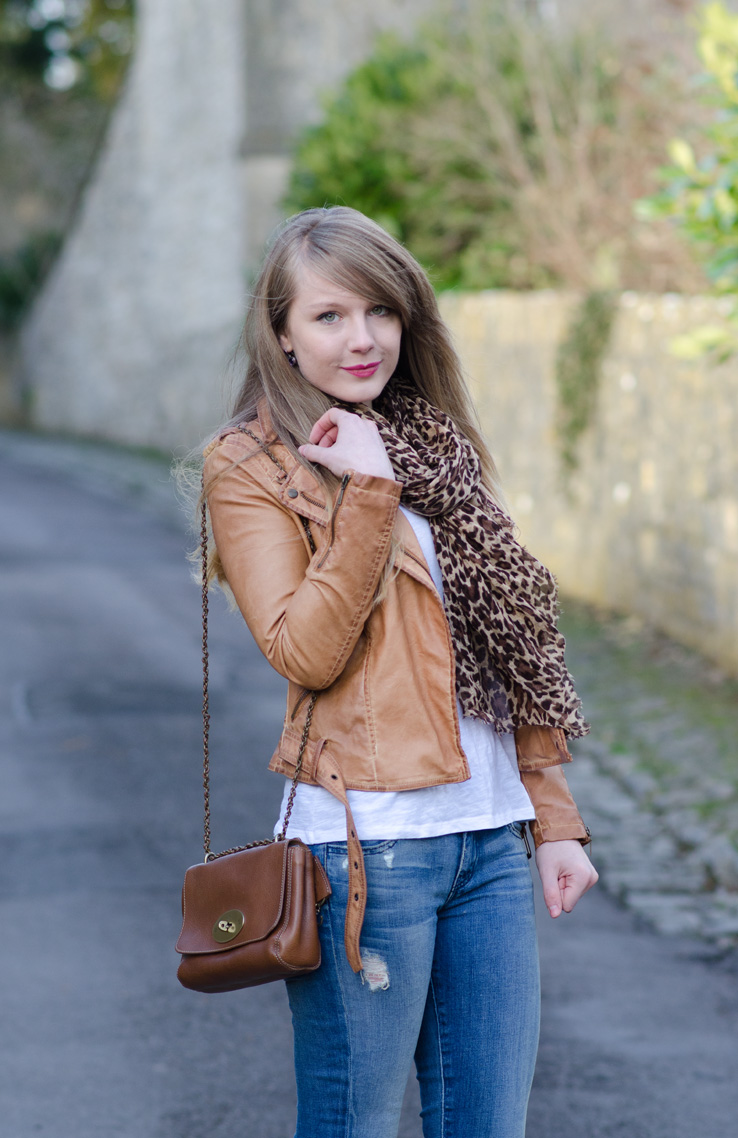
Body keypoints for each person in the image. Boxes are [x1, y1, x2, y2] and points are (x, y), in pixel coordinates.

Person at [202, 206, 598, 1138]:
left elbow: (507, 645)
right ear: (284, 335)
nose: (363, 337)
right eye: (330, 316)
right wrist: (369, 493)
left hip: (491, 841)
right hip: (364, 850)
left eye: (381, 310)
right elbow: (305, 649)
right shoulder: (250, 463)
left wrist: (554, 820)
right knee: (356, 1122)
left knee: (488, 1123)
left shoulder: (436, 443)